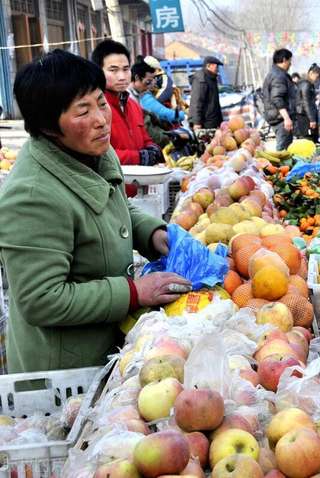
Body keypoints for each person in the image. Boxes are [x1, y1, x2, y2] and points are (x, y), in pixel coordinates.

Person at [0, 50, 191, 373]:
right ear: (48, 127)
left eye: (101, 103)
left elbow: (113, 205)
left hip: (108, 348)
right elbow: (42, 299)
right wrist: (133, 292)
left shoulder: (93, 152)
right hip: (64, 371)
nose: (101, 120)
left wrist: (153, 233)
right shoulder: (30, 196)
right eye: (82, 111)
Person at [91, 40, 162, 197]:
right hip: (111, 194)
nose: (122, 77)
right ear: (98, 71)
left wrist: (152, 148)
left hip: (138, 192)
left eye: (125, 69)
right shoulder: (95, 109)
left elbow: (144, 138)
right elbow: (98, 155)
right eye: (113, 70)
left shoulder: (132, 104)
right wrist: (139, 157)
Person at [262, 48, 297, 150]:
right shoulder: (278, 76)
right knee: (283, 150)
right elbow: (277, 98)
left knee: (285, 148)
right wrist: (286, 118)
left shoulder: (276, 73)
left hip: (278, 117)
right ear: (284, 60)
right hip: (281, 119)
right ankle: (280, 166)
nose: (290, 64)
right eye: (289, 61)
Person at [189, 56, 224, 131]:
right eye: (216, 66)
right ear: (208, 66)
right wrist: (197, 122)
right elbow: (197, 102)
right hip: (205, 123)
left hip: (213, 121)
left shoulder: (212, 78)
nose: (217, 69)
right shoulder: (201, 79)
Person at [295, 65, 320, 142]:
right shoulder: (306, 84)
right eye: (316, 77)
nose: (317, 79)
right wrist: (312, 119)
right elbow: (306, 103)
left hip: (305, 115)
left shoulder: (305, 83)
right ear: (311, 73)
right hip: (305, 116)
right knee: (309, 139)